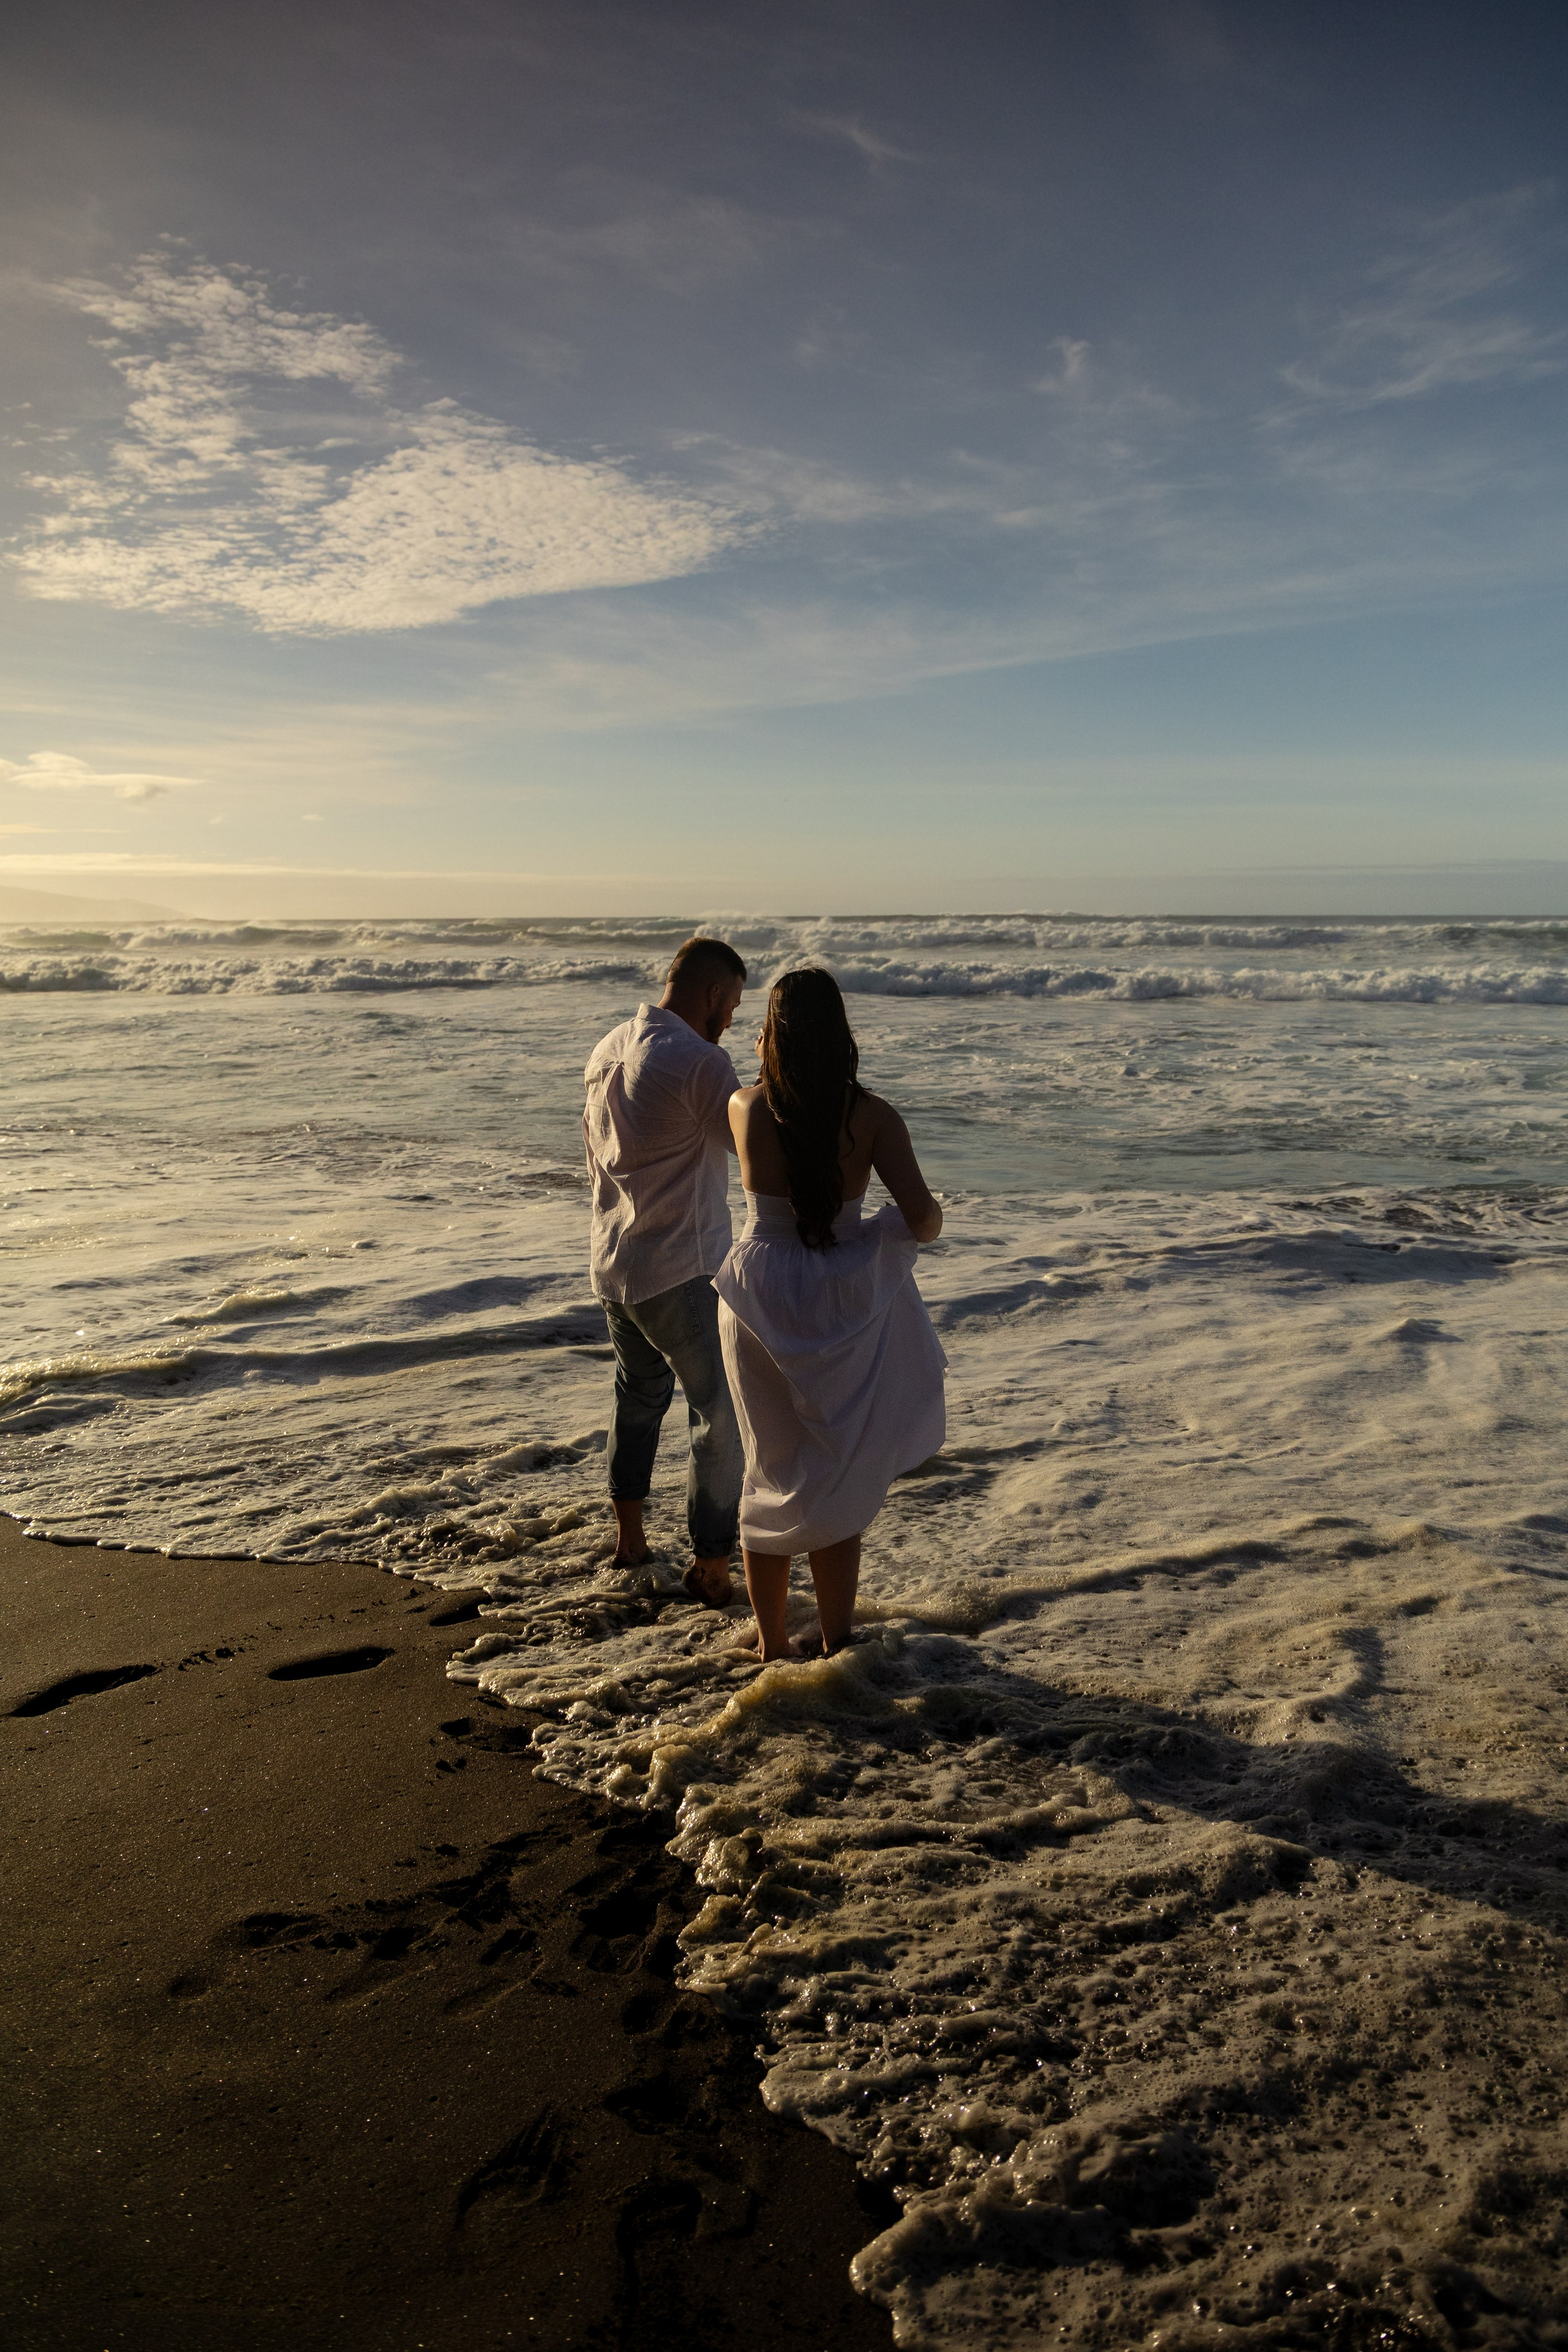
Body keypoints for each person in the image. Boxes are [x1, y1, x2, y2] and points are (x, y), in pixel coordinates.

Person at [714, 966, 946, 1662]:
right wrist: (880, 1230)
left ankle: (771, 1639)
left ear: (772, 1035)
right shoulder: (873, 1116)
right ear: (841, 1034)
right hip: (841, 1293)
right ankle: (838, 1638)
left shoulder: (743, 1107)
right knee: (837, 1467)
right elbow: (923, 1222)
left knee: (768, 1461)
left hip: (759, 1289)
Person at [584, 936, 748, 1605]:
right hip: (681, 1268)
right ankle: (711, 1559)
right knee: (720, 1415)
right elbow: (752, 1148)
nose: (733, 1018)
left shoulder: (609, 1046)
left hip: (616, 1263)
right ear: (712, 994)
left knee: (639, 1397)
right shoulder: (700, 1061)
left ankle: (630, 1537)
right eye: (733, 1003)